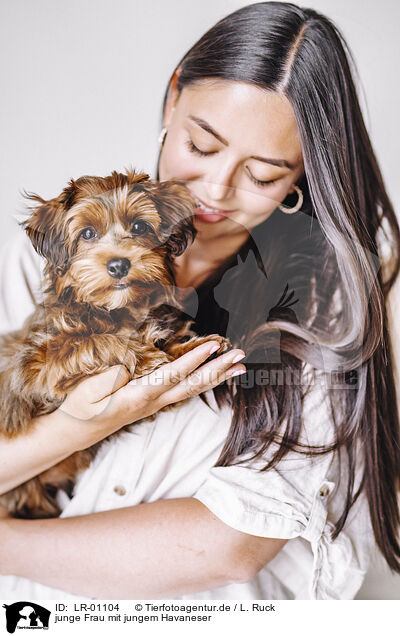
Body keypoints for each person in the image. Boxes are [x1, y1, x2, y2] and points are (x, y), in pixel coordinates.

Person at [0, 1, 399, 600]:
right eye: (201, 145)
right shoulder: (50, 256)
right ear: (172, 100)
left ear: (301, 177)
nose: (215, 191)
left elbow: (229, 546)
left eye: (263, 175)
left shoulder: (332, 303)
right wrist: (79, 425)